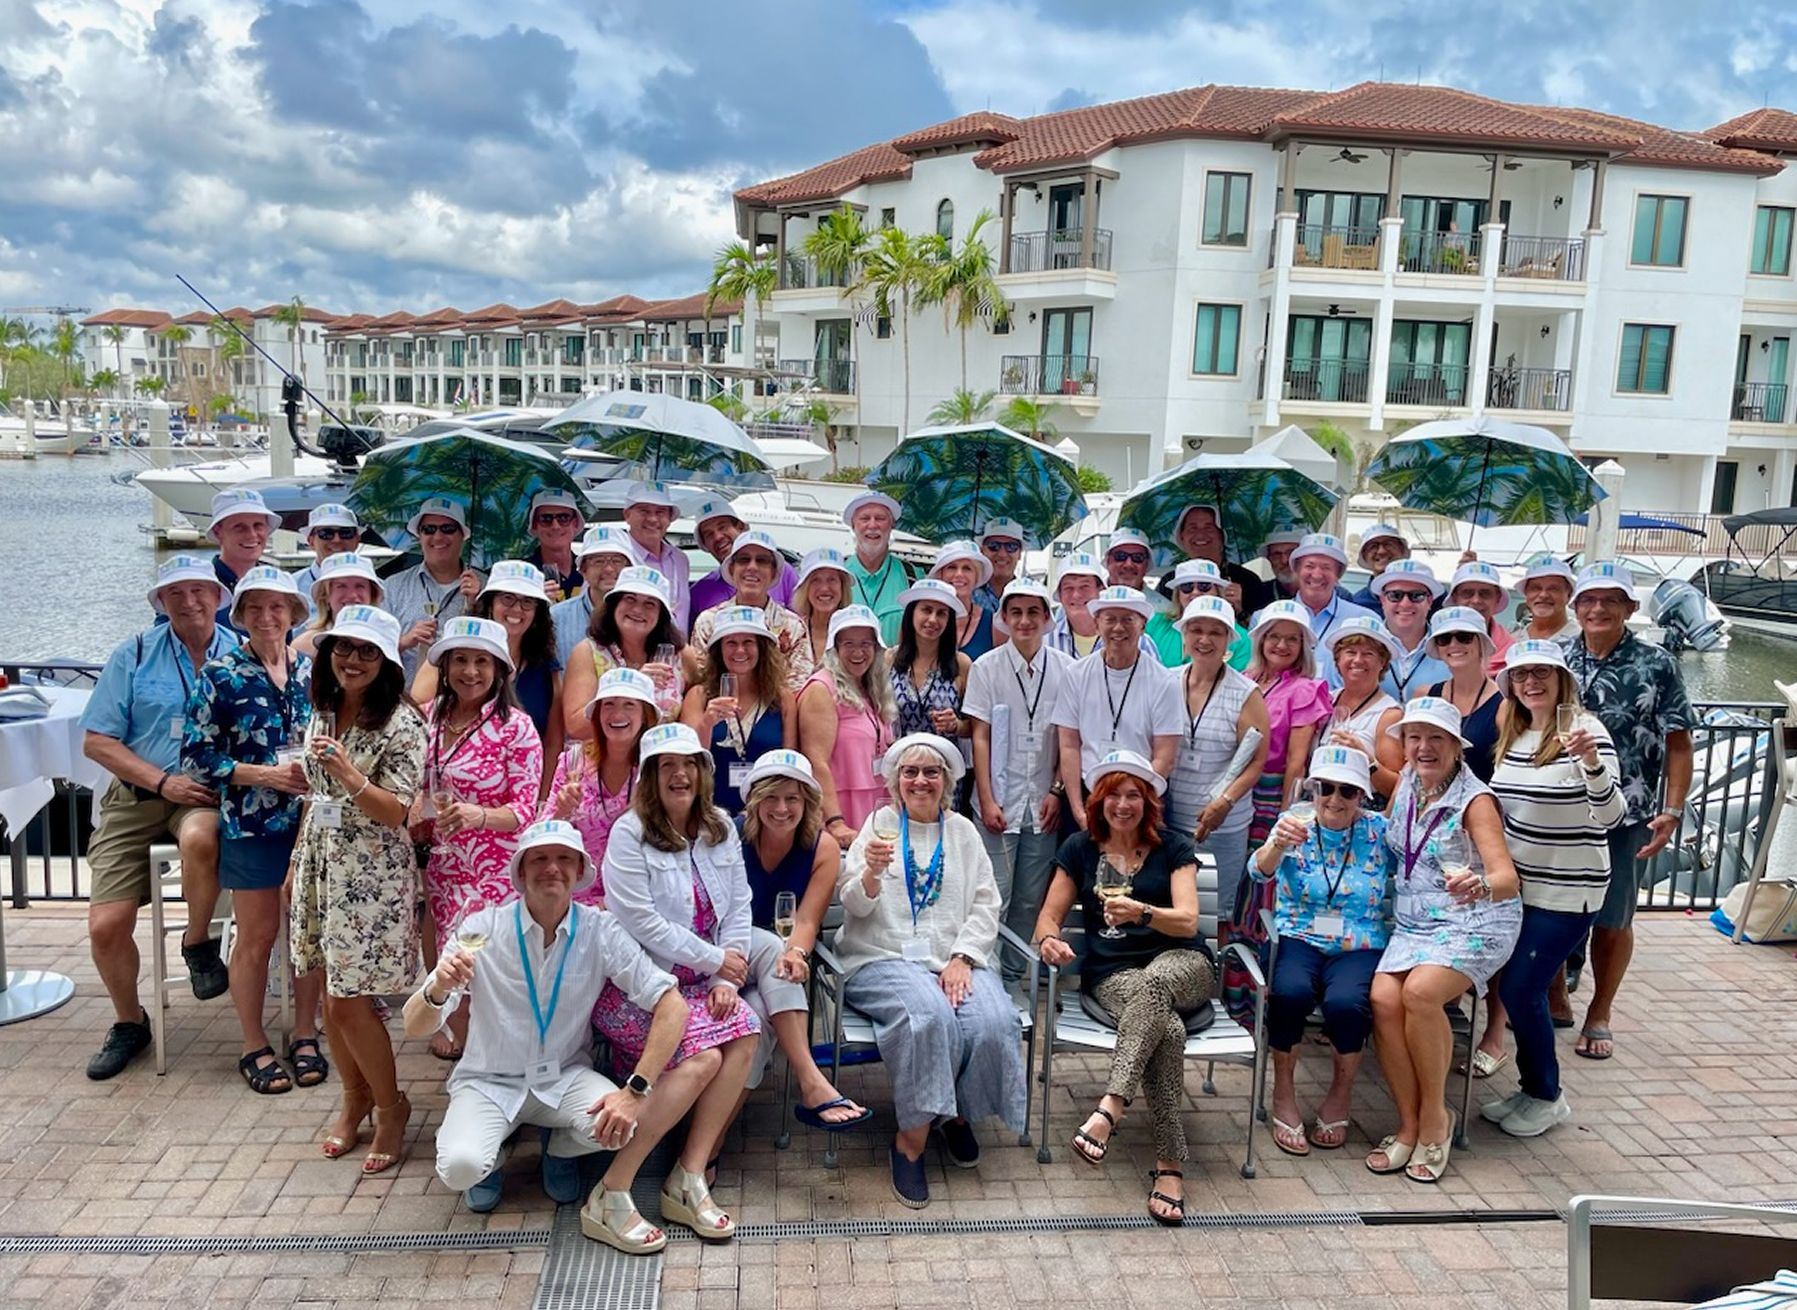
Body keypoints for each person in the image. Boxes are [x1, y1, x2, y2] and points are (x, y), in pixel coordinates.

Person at [403, 821, 690, 1242]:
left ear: (579, 871)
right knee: (460, 1168)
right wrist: (439, 988)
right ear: (520, 872)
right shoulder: (482, 928)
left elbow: (672, 1005)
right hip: (489, 1080)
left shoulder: (600, 930)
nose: (552, 868)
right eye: (539, 858)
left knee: (622, 1124)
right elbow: (415, 1025)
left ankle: (557, 1149)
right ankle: (495, 1155)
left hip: (563, 1076)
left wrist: (635, 1091)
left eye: (564, 859)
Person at [837, 734, 1027, 1209]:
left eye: (931, 772)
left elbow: (986, 903)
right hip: (882, 957)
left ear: (946, 781)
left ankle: (956, 1112)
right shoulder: (878, 825)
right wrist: (870, 874)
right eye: (910, 772)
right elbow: (853, 905)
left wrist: (963, 957)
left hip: (953, 959)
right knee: (929, 1017)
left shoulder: (962, 832)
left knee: (994, 1021)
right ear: (895, 780)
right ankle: (911, 1141)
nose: (920, 781)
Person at [1032, 750, 1215, 1225]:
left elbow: (1188, 921)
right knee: (1167, 1030)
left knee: (1156, 985)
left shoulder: (1174, 847)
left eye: (1134, 795)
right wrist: (1050, 941)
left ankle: (1110, 1107)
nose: (1123, 804)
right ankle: (1169, 1165)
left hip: (1183, 963)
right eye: (1113, 794)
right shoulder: (1080, 848)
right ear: (1098, 801)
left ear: (1148, 802)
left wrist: (1142, 913)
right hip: (1114, 975)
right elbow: (1048, 917)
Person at [596, 723, 759, 1238]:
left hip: (702, 982)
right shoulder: (629, 833)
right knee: (704, 1058)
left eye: (690, 763)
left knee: (746, 1028)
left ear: (703, 772)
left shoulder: (720, 826)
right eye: (667, 765)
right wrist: (714, 961)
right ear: (649, 776)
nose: (680, 774)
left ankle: (688, 1175)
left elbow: (739, 906)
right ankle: (612, 1188)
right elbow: (641, 921)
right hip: (641, 987)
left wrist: (725, 979)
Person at [79, 556, 236, 1080]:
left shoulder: (241, 653)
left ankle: (197, 941)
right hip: (137, 794)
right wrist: (161, 781)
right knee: (106, 925)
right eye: (176, 593)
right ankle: (130, 1022)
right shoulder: (134, 654)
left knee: (201, 836)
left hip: (205, 793)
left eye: (200, 591)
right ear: (161, 602)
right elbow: (97, 741)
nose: (190, 602)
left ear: (218, 597)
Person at [290, 605, 427, 1176]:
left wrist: (350, 774)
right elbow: (315, 791)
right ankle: (355, 1098)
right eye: (343, 647)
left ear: (387, 661)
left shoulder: (403, 722)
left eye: (368, 650)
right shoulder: (324, 708)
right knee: (330, 997)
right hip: (321, 860)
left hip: (371, 874)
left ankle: (391, 1107)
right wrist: (297, 861)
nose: (352, 659)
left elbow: (396, 811)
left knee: (349, 1002)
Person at [181, 567, 325, 1095]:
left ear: (294, 614)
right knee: (258, 935)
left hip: (312, 822)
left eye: (278, 607)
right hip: (252, 822)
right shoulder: (220, 674)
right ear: (240, 615)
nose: (267, 617)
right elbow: (196, 756)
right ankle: (252, 1042)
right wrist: (261, 775)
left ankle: (306, 1033)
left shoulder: (312, 671)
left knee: (309, 933)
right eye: (256, 608)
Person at [1366, 697, 1522, 1184]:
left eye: (1436, 738)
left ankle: (1436, 1118)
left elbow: (1507, 879)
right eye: (1414, 737)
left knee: (1419, 992)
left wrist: (1478, 884)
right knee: (1383, 997)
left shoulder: (1475, 801)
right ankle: (1408, 1124)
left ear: (1456, 746)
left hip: (1474, 919)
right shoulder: (1407, 782)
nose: (1423, 747)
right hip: (1415, 922)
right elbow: (1388, 835)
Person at [1478, 641, 1624, 1135]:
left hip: (1567, 890)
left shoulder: (1587, 731)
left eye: (1542, 672)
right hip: (1520, 888)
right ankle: (1531, 1088)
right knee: (1519, 989)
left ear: (1562, 679)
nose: (1531, 682)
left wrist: (1592, 765)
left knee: (1522, 989)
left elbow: (1613, 816)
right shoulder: (1516, 733)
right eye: (1521, 675)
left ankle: (1547, 1095)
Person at [1560, 560, 1694, 1063]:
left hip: (1626, 811)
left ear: (1630, 607)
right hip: (1559, 808)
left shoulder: (1657, 663)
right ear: (1576, 607)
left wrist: (1672, 809)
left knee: (1614, 916)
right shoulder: (1555, 658)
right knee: (1548, 907)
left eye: (1611, 600)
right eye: (1589, 600)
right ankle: (1555, 994)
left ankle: (1600, 1011)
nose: (1598, 609)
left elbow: (1679, 741)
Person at [1249, 745, 1392, 1156]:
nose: (1334, 799)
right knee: (1289, 993)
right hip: (1300, 935)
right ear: (1312, 790)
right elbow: (1257, 873)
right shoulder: (1293, 824)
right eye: (1325, 788)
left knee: (1347, 1004)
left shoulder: (1380, 831)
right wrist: (1276, 846)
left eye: (1347, 791)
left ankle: (1340, 1094)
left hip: (1358, 941)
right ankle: (1283, 1091)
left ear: (1362, 795)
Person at [416, 615, 543, 1058]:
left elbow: (525, 811)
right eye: (461, 661)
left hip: (495, 873)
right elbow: (415, 782)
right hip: (444, 865)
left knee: (485, 966)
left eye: (482, 662)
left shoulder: (517, 727)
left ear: (500, 670)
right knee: (449, 961)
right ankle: (468, 1048)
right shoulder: (429, 717)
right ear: (445, 666)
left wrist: (480, 816)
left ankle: (494, 1058)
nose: (470, 672)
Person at [734, 751, 871, 1130]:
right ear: (755, 799)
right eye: (771, 797)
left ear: (807, 801)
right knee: (772, 955)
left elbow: (807, 919)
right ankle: (812, 1082)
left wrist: (796, 952)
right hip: (733, 951)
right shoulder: (730, 836)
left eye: (792, 798)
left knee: (757, 1019)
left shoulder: (821, 847)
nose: (782, 809)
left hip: (781, 961)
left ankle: (707, 1146)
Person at [1222, 599, 1333, 1022]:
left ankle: (1255, 1004)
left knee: (1260, 896)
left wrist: (1286, 816)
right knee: (1233, 894)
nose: (1282, 645)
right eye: (1274, 636)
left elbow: (1296, 762)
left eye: (1291, 639)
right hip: (1236, 791)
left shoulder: (1305, 688)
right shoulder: (1245, 678)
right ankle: (1229, 993)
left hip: (1271, 799)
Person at [965, 580, 1070, 958]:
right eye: (1016, 613)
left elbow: (1069, 740)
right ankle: (986, 972)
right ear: (1005, 618)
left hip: (1043, 803)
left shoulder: (1066, 669)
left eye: (1032, 612)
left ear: (1046, 617)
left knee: (1029, 900)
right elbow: (980, 736)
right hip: (997, 800)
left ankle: (1011, 974)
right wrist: (987, 799)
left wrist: (1057, 791)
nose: (1025, 621)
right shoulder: (986, 667)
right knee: (992, 896)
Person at [1164, 595, 1268, 901]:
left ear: (1228, 641)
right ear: (1184, 635)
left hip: (1221, 825)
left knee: (1214, 910)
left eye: (1216, 632)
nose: (1205, 640)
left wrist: (1226, 801)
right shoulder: (1165, 682)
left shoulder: (1246, 693)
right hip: (1169, 821)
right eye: (1196, 630)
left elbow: (1256, 760)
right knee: (1169, 908)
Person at [1051, 586, 1181, 829]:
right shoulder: (1075, 674)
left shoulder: (1164, 682)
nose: (1118, 628)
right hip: (1088, 791)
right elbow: (1069, 746)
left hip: (1141, 796)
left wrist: (1134, 804)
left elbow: (1165, 756)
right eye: (1110, 619)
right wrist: (1078, 811)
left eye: (1128, 620)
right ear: (1097, 624)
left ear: (1142, 625)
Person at [546, 667, 658, 906]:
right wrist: (561, 812)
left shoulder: (657, 769)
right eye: (608, 704)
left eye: (629, 705)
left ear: (645, 715)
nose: (617, 714)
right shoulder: (573, 761)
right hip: (575, 899)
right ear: (597, 714)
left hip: (638, 900)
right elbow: (542, 834)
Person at [798, 606, 896, 850]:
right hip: (841, 810)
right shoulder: (822, 689)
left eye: (866, 643)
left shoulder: (872, 688)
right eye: (849, 644)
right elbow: (816, 761)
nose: (858, 652)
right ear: (835, 647)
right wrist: (835, 821)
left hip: (876, 804)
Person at [680, 607, 797, 813]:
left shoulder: (782, 699)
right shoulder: (699, 696)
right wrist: (707, 724)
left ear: (762, 648)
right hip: (709, 813)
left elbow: (789, 766)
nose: (740, 650)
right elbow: (688, 761)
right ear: (719, 650)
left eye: (748, 642)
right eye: (731, 643)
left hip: (764, 816)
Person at [562, 565, 684, 737]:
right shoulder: (588, 652)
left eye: (649, 604)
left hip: (661, 753)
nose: (637, 610)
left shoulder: (679, 654)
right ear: (614, 605)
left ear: (661, 614)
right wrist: (632, 686)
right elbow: (575, 727)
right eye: (630, 599)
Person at [687, 531, 811, 692]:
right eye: (744, 560)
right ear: (731, 569)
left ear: (774, 572)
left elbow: (797, 690)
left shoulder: (793, 626)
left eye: (762, 561)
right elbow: (701, 683)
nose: (752, 567)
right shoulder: (708, 622)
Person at [385, 496, 484, 682]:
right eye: (429, 529)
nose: (438, 537)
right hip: (405, 695)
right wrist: (405, 641)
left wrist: (476, 605)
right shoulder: (393, 586)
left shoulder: (485, 586)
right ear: (419, 536)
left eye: (448, 529)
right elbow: (373, 648)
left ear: (462, 536)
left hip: (466, 694)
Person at [1319, 617, 1406, 803]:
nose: (1358, 660)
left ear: (1382, 663)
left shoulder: (1389, 715)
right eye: (1350, 652)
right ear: (1338, 660)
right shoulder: (1325, 700)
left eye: (1368, 654)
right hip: (1319, 800)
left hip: (1361, 807)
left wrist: (1366, 760)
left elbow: (1396, 788)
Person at [1419, 606, 1502, 781]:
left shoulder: (1504, 705)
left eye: (1464, 637)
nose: (1454, 644)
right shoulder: (1424, 695)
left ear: (1481, 643)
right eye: (1444, 639)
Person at [1284, 533, 1377, 687]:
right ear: (1297, 570)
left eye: (1326, 567)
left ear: (1338, 574)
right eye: (1309, 566)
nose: (1317, 575)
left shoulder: (1365, 619)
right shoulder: (1269, 618)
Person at [686, 498, 799, 617]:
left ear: (740, 527)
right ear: (705, 544)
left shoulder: (784, 573)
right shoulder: (699, 592)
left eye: (723, 527)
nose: (718, 537)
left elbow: (802, 620)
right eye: (709, 534)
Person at [889, 577, 971, 743]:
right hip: (897, 756)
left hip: (945, 757)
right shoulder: (889, 659)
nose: (933, 619)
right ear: (912, 612)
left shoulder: (961, 664)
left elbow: (975, 726)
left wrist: (956, 725)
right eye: (926, 610)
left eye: (941, 613)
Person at [551, 527, 635, 668]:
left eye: (616, 561)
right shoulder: (556, 617)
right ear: (583, 570)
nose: (608, 569)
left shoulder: (648, 617)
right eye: (599, 561)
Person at [1148, 558, 1250, 670]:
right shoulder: (1155, 623)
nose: (1195, 592)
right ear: (1178, 594)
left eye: (1204, 586)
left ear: (1218, 591)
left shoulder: (1242, 638)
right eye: (1187, 587)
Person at [842, 490, 915, 645]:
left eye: (880, 518)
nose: (872, 525)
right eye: (865, 518)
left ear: (892, 525)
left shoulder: (912, 576)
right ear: (853, 525)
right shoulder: (837, 573)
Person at [620, 481, 692, 633]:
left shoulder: (679, 559)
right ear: (627, 515)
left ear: (670, 517)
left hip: (677, 647)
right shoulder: (616, 558)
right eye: (644, 511)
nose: (652, 519)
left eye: (660, 512)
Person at [1173, 503, 1271, 615]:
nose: (1200, 535)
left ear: (1221, 536)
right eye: (1192, 528)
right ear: (1182, 536)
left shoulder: (1248, 580)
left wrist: (1239, 611)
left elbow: (1263, 624)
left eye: (1208, 528)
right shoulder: (1170, 581)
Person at [1372, 560, 1449, 701]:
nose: (1405, 604)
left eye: (1416, 596)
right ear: (1382, 600)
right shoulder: (1365, 644)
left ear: (1430, 601)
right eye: (1395, 595)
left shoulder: (1451, 648)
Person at [295, 553, 385, 659]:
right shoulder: (305, 646)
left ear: (372, 594)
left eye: (360, 586)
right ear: (326, 595)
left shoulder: (385, 642)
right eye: (341, 586)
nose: (352, 595)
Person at [929, 540, 1000, 662]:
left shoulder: (993, 625)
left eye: (967, 568)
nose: (959, 574)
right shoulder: (922, 620)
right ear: (940, 574)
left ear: (977, 576)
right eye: (952, 567)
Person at [1446, 560, 1516, 674]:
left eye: (1485, 593)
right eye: (1467, 593)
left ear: (1497, 599)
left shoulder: (1512, 650)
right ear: (1455, 597)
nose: (1476, 600)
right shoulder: (1435, 644)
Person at [204, 487, 280, 594]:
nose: (252, 535)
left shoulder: (276, 584)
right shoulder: (201, 585)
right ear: (217, 532)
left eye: (258, 525)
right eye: (239, 527)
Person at [291, 503, 364, 609]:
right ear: (311, 541)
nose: (337, 540)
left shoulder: (376, 588)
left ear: (357, 540)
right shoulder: (291, 588)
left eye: (345, 533)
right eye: (326, 533)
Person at [793, 547, 852, 666]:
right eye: (816, 580)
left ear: (842, 587)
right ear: (805, 588)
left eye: (832, 580)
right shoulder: (792, 632)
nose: (824, 588)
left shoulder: (855, 633)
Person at [523, 488, 584, 603]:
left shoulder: (588, 570)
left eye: (563, 518)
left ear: (575, 523)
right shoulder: (522, 574)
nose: (555, 526)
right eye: (546, 519)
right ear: (535, 525)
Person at [1514, 554, 1579, 641]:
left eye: (1553, 589)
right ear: (1526, 594)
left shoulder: (1584, 639)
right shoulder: (1513, 640)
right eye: (1536, 588)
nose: (1543, 595)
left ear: (1569, 595)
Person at [971, 518, 1027, 613]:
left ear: (1019, 554)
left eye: (1011, 546)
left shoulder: (1030, 596)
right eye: (994, 546)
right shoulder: (965, 593)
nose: (1002, 554)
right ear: (982, 551)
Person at [1349, 524, 1409, 609]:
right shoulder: (1356, 605)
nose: (1381, 551)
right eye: (1373, 546)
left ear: (1401, 550)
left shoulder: (1422, 597)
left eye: (1388, 544)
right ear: (1364, 556)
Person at [1103, 527, 1154, 592]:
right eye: (1121, 556)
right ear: (1108, 561)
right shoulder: (1092, 597)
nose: (1129, 564)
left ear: (1146, 564)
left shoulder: (1157, 599)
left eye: (1138, 557)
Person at [1260, 530, 1304, 601]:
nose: (1284, 560)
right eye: (1277, 555)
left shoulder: (1320, 591)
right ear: (1269, 559)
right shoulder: (1258, 594)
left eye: (1290, 553)